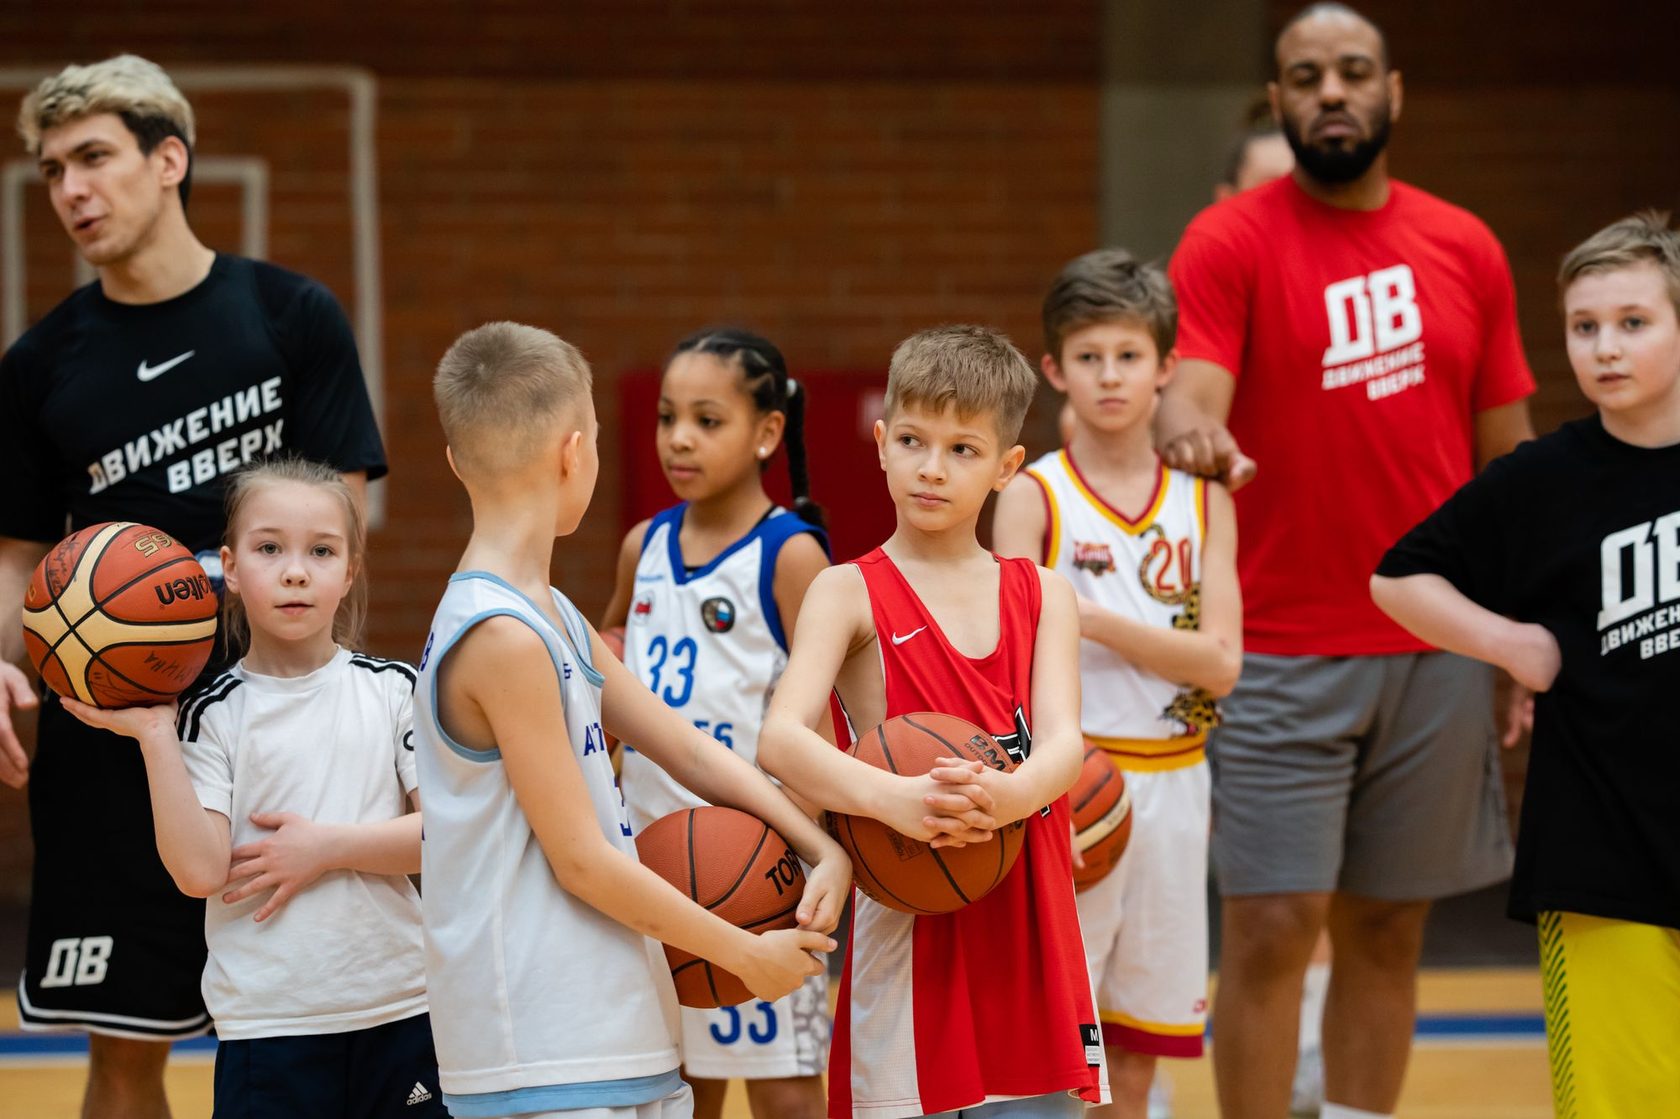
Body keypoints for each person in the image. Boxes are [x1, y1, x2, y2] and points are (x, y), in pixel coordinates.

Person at [1157, 6, 1537, 1118]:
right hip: (1277, 643)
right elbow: (1193, 389)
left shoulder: (1465, 245)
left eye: (1354, 72)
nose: (1331, 91)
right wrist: (1190, 427)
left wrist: (1515, 632)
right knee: (1273, 925)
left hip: (1436, 642)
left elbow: (1508, 459)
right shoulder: (1228, 240)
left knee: (1388, 922)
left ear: (1393, 94)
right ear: (1277, 102)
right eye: (1307, 76)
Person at [0, 55, 386, 1117]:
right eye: (50, 171)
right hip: (115, 736)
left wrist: (215, 590)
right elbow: (16, 561)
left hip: (279, 719)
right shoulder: (41, 365)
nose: (71, 188)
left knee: (313, 1034)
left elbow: (341, 519)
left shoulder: (290, 316)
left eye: (93, 158)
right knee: (123, 1051)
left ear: (168, 159)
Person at [415, 321, 848, 1119]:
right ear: (573, 454)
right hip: (540, 1047)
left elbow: (683, 745)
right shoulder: (500, 636)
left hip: (612, 1021)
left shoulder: (556, 616)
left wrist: (821, 845)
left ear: (455, 460)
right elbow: (580, 860)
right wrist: (744, 952)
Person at [1371, 211, 1680, 1119]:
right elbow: (1398, 577)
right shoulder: (1543, 478)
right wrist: (1512, 643)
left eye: (1633, 322)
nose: (1604, 348)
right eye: (1584, 328)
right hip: (1599, 853)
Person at [760, 325, 1102, 1119]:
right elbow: (780, 739)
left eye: (961, 449)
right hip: (910, 918)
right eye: (912, 440)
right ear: (881, 443)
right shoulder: (846, 591)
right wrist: (895, 801)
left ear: (1006, 468)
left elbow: (1063, 742)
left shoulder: (1044, 592)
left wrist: (1008, 799)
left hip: (1027, 915)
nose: (931, 467)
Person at [57, 458, 439, 1117]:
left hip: (400, 1010)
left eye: (321, 550)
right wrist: (155, 735)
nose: (296, 569)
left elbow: (444, 836)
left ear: (350, 570)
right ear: (230, 569)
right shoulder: (213, 714)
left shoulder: (394, 690)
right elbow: (201, 870)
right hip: (270, 1024)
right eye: (270, 548)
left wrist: (327, 847)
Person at [993, 250, 1239, 1119]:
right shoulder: (1031, 496)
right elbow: (1002, 656)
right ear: (1055, 367)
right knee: (1068, 1052)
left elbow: (1222, 663)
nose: (1110, 376)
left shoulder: (1205, 501)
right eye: (1089, 356)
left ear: (1166, 367)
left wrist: (1085, 617)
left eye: (1129, 356)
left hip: (1176, 785)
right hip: (1074, 788)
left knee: (1139, 1054)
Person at [602, 328, 832, 1119]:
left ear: (768, 432)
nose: (679, 439)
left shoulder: (792, 556)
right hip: (656, 866)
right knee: (675, 1090)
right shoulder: (644, 545)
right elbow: (611, 658)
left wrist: (808, 851)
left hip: (757, 871)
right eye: (668, 418)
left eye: (707, 419)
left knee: (787, 1094)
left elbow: (826, 724)